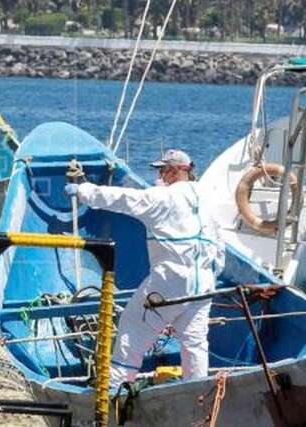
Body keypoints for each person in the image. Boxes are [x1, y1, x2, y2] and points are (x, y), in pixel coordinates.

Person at [64, 149, 225, 390]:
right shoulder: (209, 200)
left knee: (132, 329)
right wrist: (212, 274)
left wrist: (83, 191)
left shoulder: (164, 198)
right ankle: (197, 394)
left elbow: (124, 199)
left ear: (172, 171)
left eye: (162, 170)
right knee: (195, 343)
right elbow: (220, 246)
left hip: (170, 279)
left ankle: (115, 390)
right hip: (204, 283)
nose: (160, 175)